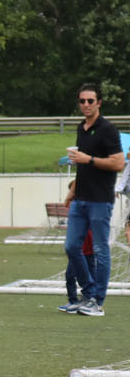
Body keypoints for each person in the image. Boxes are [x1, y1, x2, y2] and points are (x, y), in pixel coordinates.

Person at [63, 83, 126, 316]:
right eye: (82, 101)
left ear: (99, 103)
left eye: (90, 101)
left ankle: (97, 301)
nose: (86, 105)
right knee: (71, 247)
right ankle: (88, 293)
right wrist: (72, 192)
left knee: (100, 250)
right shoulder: (82, 127)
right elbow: (82, 164)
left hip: (100, 200)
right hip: (81, 199)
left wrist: (88, 159)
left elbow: (119, 163)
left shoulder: (108, 129)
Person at [58, 179, 99, 313]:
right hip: (78, 249)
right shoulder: (75, 207)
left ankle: (91, 300)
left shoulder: (88, 206)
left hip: (89, 248)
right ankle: (73, 300)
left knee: (90, 273)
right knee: (70, 275)